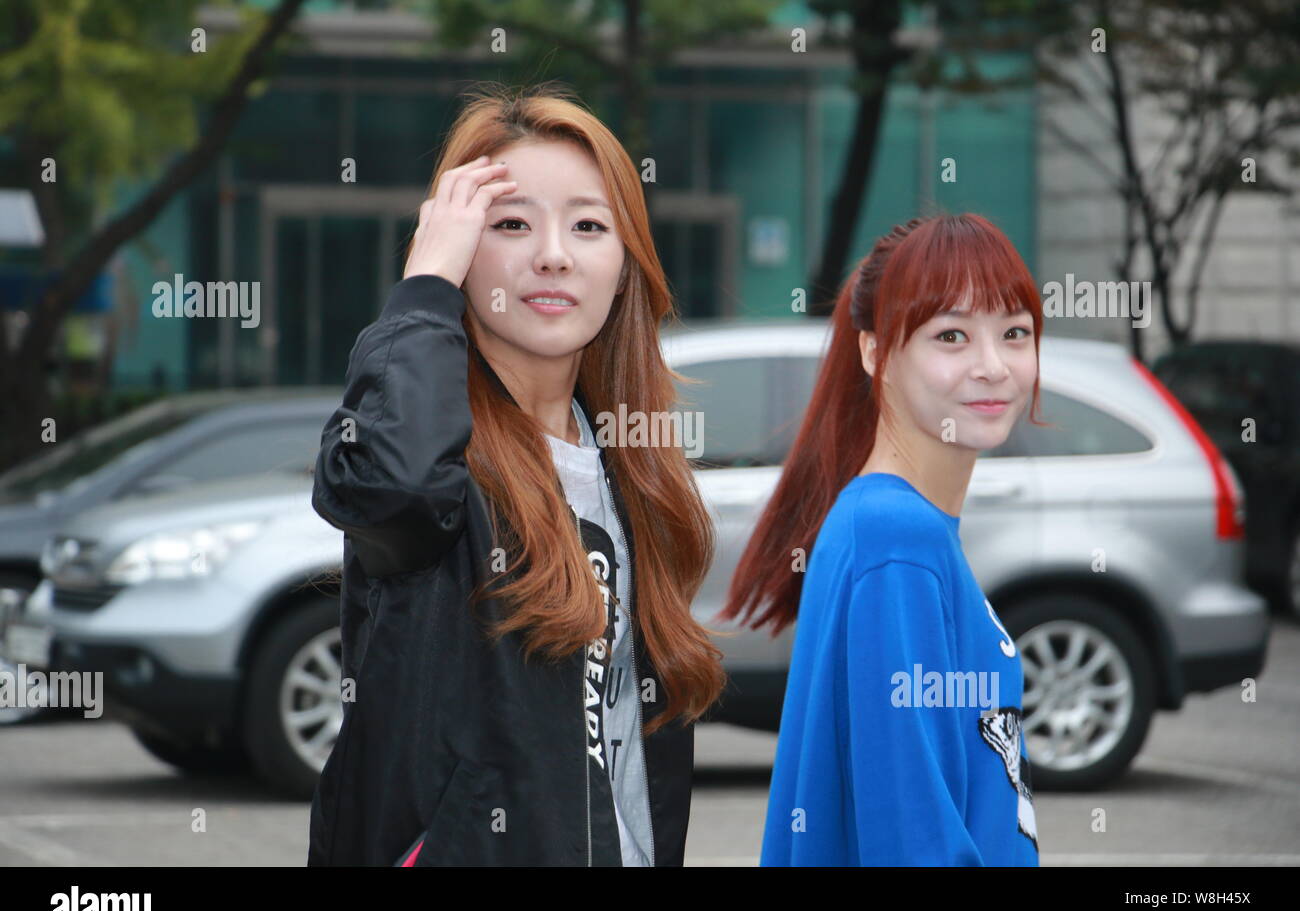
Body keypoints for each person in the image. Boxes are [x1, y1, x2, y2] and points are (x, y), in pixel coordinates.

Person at [308, 83, 726, 866]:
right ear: (460, 251)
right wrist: (423, 287)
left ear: (624, 266)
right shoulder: (435, 456)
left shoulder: (632, 473)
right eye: (509, 224)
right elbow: (395, 490)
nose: (553, 254)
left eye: (589, 225)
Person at [722, 214, 1048, 865]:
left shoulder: (895, 527)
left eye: (1014, 333)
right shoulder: (896, 539)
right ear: (874, 352)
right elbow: (910, 840)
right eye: (950, 335)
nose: (992, 366)